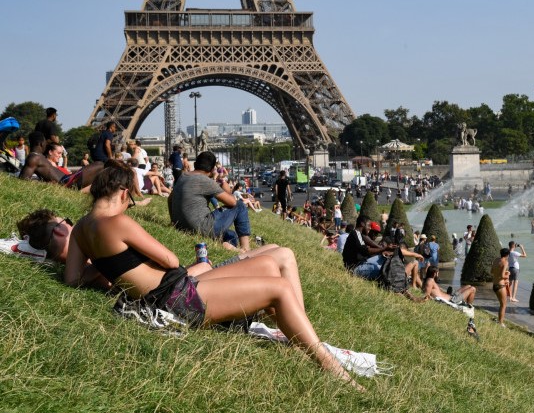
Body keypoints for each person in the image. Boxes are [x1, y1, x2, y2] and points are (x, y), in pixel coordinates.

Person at [63, 160, 360, 387]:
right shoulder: (119, 222)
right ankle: (329, 366)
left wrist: (111, 270)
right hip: (176, 298)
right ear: (124, 192)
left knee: (271, 265)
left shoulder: (81, 228)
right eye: (130, 199)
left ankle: (299, 334)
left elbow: (73, 279)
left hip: (174, 290)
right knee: (280, 288)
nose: (129, 204)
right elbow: (169, 258)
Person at [17, 208, 308, 311]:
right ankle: (300, 327)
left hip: (192, 279)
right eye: (65, 221)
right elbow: (164, 276)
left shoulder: (87, 261)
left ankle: (297, 324)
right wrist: (197, 266)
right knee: (281, 256)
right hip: (194, 284)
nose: (71, 224)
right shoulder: (93, 263)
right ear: (58, 230)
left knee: (272, 249)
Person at [169, 151, 252, 251]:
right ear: (213, 169)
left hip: (182, 227)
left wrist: (174, 221)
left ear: (195, 164)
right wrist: (223, 184)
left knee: (231, 235)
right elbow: (233, 202)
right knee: (240, 205)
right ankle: (246, 249)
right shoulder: (205, 180)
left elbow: (170, 199)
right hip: (201, 228)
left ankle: (230, 249)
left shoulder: (183, 177)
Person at [19, 131, 104, 193]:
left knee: (101, 168)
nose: (46, 144)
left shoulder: (38, 156)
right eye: (45, 142)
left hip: (67, 179)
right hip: (67, 182)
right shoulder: (34, 158)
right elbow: (22, 180)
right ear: (41, 143)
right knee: (100, 165)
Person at [342, 215, 392, 280]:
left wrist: (384, 250)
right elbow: (366, 250)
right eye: (368, 225)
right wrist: (384, 248)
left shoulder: (359, 234)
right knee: (383, 269)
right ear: (362, 224)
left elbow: (369, 241)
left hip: (362, 262)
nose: (370, 228)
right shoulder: (355, 233)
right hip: (354, 268)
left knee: (384, 258)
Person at [491, 248, 510, 326]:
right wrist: (507, 275)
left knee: (501, 304)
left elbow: (492, 271)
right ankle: (501, 323)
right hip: (500, 286)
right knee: (503, 305)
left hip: (495, 285)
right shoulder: (505, 262)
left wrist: (504, 273)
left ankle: (499, 321)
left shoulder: (496, 260)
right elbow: (502, 275)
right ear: (507, 255)